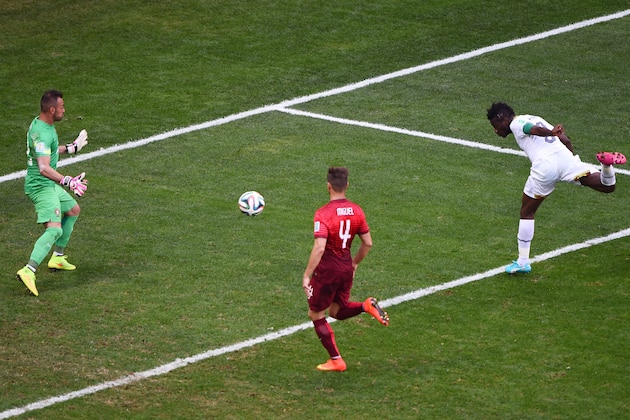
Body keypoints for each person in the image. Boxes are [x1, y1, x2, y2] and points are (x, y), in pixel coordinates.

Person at [487, 102, 625, 274]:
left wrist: (550, 133)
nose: (495, 130)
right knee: (607, 186)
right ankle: (606, 165)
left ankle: (523, 262)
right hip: (565, 159)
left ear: (503, 118)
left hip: (545, 166)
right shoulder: (536, 117)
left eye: (495, 125)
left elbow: (533, 129)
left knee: (527, 212)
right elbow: (564, 139)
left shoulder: (517, 123)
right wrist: (568, 159)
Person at [302, 167, 389, 372]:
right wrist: (355, 263)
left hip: (327, 270)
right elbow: (367, 243)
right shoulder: (356, 210)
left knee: (316, 314)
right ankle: (366, 306)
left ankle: (336, 360)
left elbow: (320, 247)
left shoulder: (323, 214)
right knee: (336, 311)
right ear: (347, 186)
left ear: (328, 186)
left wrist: (307, 275)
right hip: (345, 267)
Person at [16, 90, 89, 296]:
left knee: (73, 210)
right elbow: (43, 167)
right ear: (51, 109)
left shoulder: (42, 125)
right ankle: (28, 270)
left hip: (48, 184)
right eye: (61, 107)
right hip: (41, 186)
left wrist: (72, 148)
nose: (64, 110)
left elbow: (48, 150)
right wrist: (67, 180)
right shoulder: (42, 133)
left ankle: (57, 257)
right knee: (54, 229)